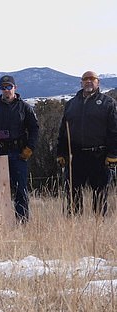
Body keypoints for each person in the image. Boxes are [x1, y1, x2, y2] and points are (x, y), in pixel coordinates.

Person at [56, 71, 117, 216]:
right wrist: (61, 153)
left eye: (92, 79)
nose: (88, 82)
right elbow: (63, 132)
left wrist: (113, 154)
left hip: (100, 156)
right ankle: (75, 226)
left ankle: (98, 226)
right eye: (85, 79)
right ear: (81, 82)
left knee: (100, 194)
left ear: (98, 82)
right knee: (73, 193)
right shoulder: (71, 104)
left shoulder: (108, 103)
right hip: (76, 157)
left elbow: (114, 131)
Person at [0, 75, 39, 222]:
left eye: (9, 87)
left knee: (21, 190)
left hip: (19, 154)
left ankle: (22, 222)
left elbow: (34, 129)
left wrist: (29, 148)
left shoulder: (25, 107)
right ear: (0, 89)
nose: (6, 90)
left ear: (15, 88)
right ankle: (0, 221)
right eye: (3, 88)